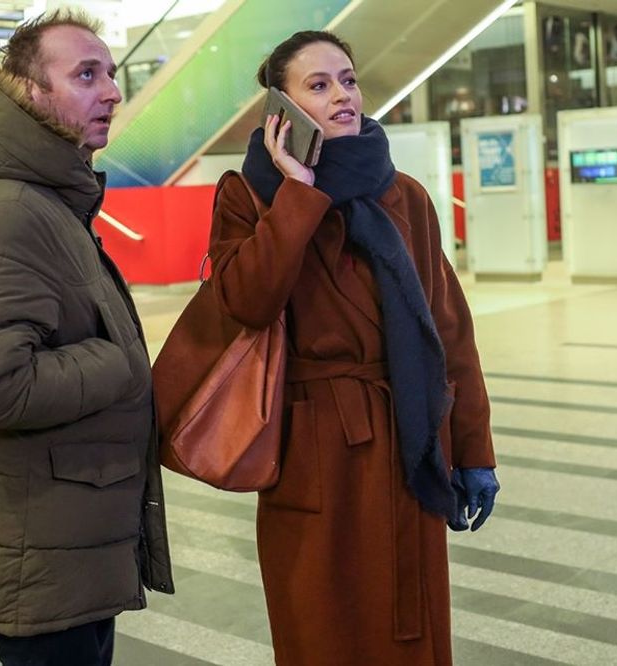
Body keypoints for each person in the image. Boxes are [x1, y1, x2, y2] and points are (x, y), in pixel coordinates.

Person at [206, 31, 499, 664]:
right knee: (322, 630)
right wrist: (298, 193)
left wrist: (475, 449)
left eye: (348, 79)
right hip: (314, 457)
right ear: (281, 109)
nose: (342, 95)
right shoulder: (248, 196)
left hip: (408, 443)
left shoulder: (403, 195)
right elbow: (246, 302)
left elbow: (447, 330)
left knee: (409, 631)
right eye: (318, 85)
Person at [0, 9, 173, 665]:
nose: (112, 92)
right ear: (30, 92)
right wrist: (118, 363)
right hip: (38, 550)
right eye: (86, 75)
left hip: (61, 538)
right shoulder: (8, 210)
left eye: (111, 74)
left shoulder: (47, 199)